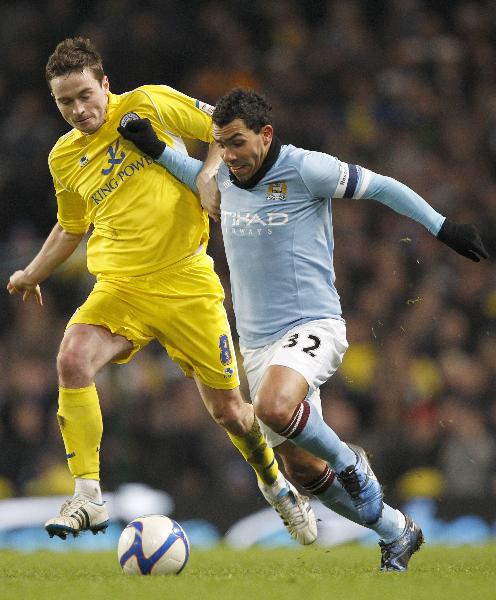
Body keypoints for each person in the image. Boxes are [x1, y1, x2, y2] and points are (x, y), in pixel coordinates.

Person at [118, 87, 488, 571]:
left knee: (272, 407)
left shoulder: (306, 168)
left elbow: (381, 186)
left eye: (236, 143)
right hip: (256, 343)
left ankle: (353, 465)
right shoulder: (224, 179)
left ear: (265, 135)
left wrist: (442, 228)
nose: (228, 155)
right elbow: (193, 172)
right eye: (221, 145)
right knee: (300, 467)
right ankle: (396, 531)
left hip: (313, 324)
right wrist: (153, 146)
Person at [6, 40, 317, 544]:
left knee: (232, 413)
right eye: (65, 103)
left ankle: (275, 484)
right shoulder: (63, 157)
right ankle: (87, 494)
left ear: (105, 85)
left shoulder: (148, 102)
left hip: (186, 283)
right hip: (121, 287)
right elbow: (70, 227)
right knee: (72, 359)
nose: (79, 111)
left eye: (86, 95)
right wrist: (33, 272)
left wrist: (212, 173)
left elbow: (222, 126)